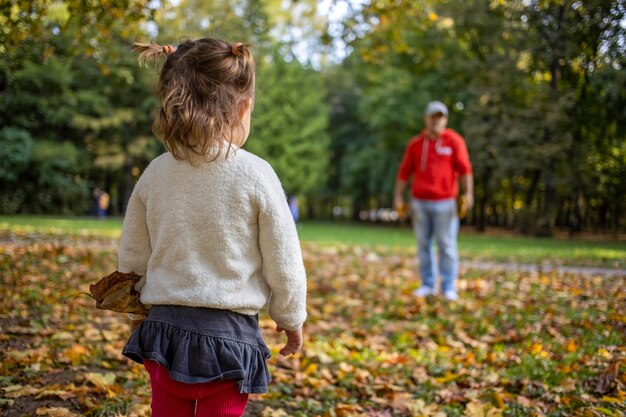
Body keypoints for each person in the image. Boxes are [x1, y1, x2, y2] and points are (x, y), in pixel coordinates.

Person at [118, 39, 307, 417]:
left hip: (163, 333)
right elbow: (283, 260)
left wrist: (135, 301)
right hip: (229, 343)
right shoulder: (256, 174)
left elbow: (134, 251)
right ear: (243, 108)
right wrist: (291, 318)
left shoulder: (156, 172)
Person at [394, 101, 473, 301]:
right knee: (423, 245)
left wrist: (468, 193)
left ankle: (448, 287)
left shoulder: (454, 141)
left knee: (447, 245)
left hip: (446, 202)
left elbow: (465, 170)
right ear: (426, 119)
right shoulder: (415, 144)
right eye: (433, 117)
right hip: (419, 202)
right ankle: (428, 285)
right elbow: (404, 172)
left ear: (445, 119)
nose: (436, 121)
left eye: (440, 117)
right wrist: (398, 196)